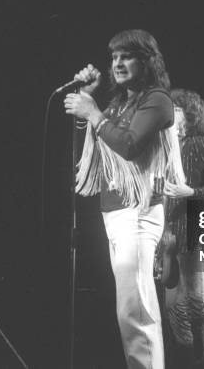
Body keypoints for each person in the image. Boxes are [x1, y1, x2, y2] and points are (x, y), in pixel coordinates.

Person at [63, 29, 185, 369]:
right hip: (115, 214)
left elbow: (129, 146)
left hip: (139, 213)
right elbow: (94, 151)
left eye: (126, 56)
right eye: (114, 57)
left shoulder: (157, 100)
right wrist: (87, 103)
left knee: (137, 308)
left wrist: (94, 113)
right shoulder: (119, 104)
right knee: (127, 309)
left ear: (146, 61)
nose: (117, 63)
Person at [160, 89, 204, 369]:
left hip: (192, 236)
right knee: (175, 310)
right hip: (169, 238)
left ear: (189, 115)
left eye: (176, 109)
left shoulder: (197, 144)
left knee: (198, 308)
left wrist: (190, 191)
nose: (170, 113)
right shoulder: (166, 147)